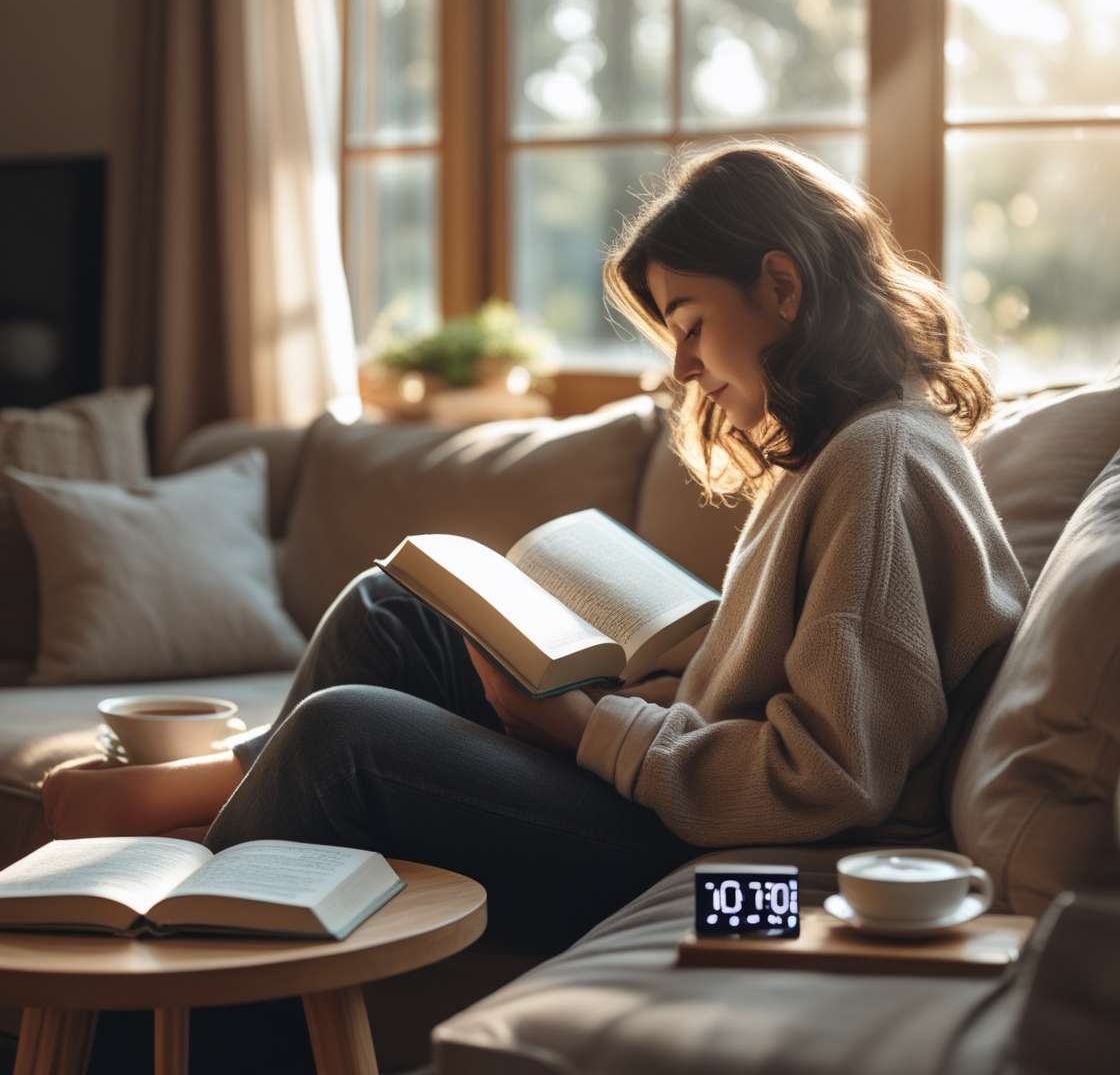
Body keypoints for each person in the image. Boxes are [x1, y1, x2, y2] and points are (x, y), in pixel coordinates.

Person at [42, 140, 1028, 954]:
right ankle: (226, 797)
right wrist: (657, 695)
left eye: (689, 324)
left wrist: (586, 730)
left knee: (344, 736)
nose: (681, 368)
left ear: (781, 286)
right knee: (398, 608)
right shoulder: (837, 454)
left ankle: (150, 1000)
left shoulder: (880, 462)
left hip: (735, 868)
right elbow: (799, 693)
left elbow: (834, 779)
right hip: (689, 804)